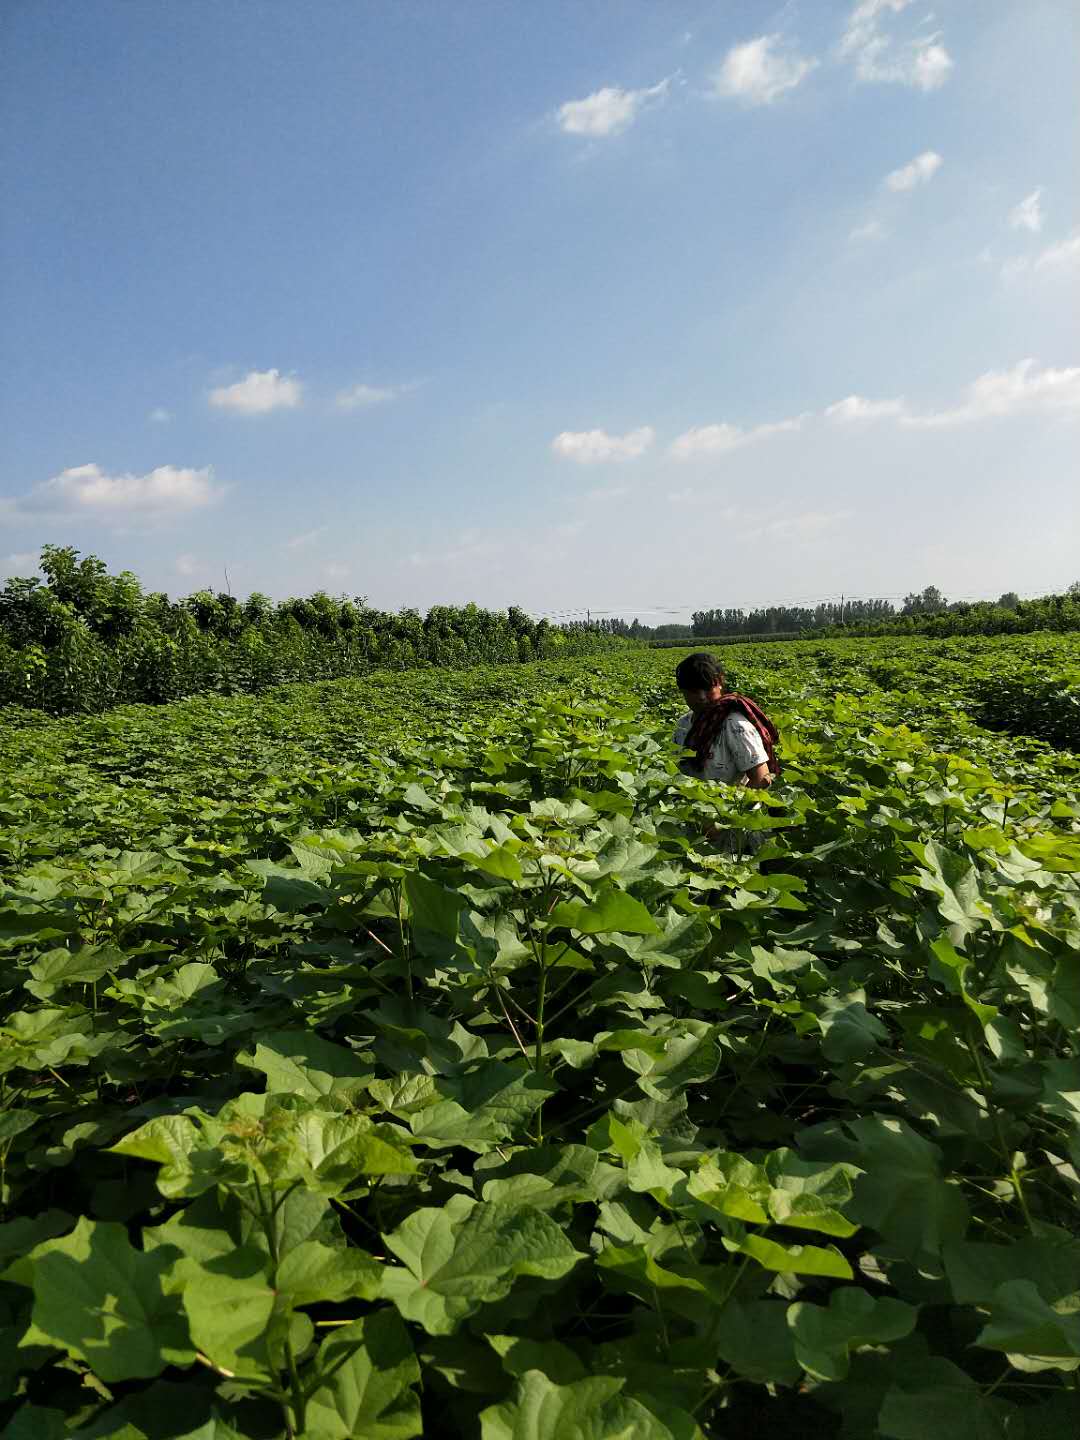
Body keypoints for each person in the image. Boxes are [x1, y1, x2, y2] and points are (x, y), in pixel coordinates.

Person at [673, 652, 779, 788]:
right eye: (694, 691)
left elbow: (761, 778)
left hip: (728, 805)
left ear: (720, 682)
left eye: (707, 688)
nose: (701, 697)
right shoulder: (683, 725)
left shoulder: (734, 725)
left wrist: (735, 806)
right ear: (683, 692)